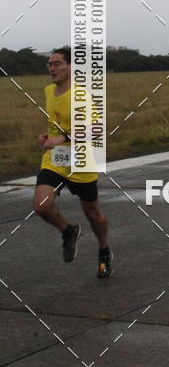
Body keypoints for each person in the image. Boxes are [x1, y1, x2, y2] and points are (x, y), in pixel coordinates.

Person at [34, 47, 112, 276]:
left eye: (57, 63)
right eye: (49, 64)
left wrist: (64, 137)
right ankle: (68, 231)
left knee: (92, 213)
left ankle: (104, 250)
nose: (52, 68)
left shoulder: (81, 95)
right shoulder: (49, 91)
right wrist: (48, 137)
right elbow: (57, 123)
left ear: (71, 67)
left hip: (81, 160)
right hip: (57, 158)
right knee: (42, 206)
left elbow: (97, 129)